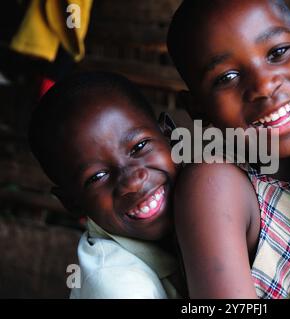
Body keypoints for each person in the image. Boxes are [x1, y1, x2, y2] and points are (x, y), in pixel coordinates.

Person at [166, 0, 290, 298]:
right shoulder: (215, 186)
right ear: (197, 108)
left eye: (277, 53)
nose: (263, 85)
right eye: (227, 78)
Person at [28, 71, 185, 299]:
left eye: (139, 146)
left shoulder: (209, 191)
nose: (131, 181)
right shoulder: (116, 285)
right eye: (97, 176)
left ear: (170, 136)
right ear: (72, 203)